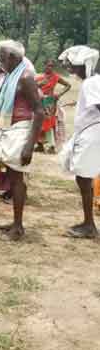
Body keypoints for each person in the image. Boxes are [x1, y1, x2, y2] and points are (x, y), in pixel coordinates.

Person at [0, 40, 44, 242]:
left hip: (20, 131)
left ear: (12, 57)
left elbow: (39, 111)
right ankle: (15, 222)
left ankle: (18, 227)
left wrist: (29, 146)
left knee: (18, 178)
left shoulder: (26, 77)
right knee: (12, 175)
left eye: (1, 56)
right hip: (9, 129)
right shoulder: (11, 76)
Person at [58, 45, 100, 238]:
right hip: (89, 132)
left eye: (74, 66)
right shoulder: (92, 82)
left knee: (84, 177)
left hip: (92, 133)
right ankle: (88, 222)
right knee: (83, 177)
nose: (71, 70)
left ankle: (89, 225)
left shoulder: (91, 82)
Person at [35, 59, 71, 154]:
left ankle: (52, 146)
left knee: (49, 124)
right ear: (44, 65)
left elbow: (68, 85)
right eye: (48, 65)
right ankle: (40, 145)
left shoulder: (55, 77)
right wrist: (39, 85)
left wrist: (59, 94)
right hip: (39, 102)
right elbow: (32, 88)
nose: (49, 68)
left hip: (50, 103)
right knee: (39, 123)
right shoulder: (39, 77)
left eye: (51, 66)